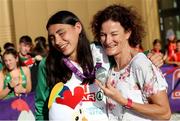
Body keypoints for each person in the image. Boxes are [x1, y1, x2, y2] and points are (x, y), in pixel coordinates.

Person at [35, 10, 165, 120]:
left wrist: (150, 55)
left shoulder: (100, 52)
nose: (57, 41)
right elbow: (41, 107)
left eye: (61, 33)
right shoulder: (47, 64)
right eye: (52, 37)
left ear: (78, 28)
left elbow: (126, 56)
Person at [91, 4, 171, 121]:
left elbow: (165, 113)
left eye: (114, 34)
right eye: (103, 35)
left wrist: (124, 101)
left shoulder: (140, 64)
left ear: (128, 33)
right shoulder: (109, 66)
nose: (107, 41)